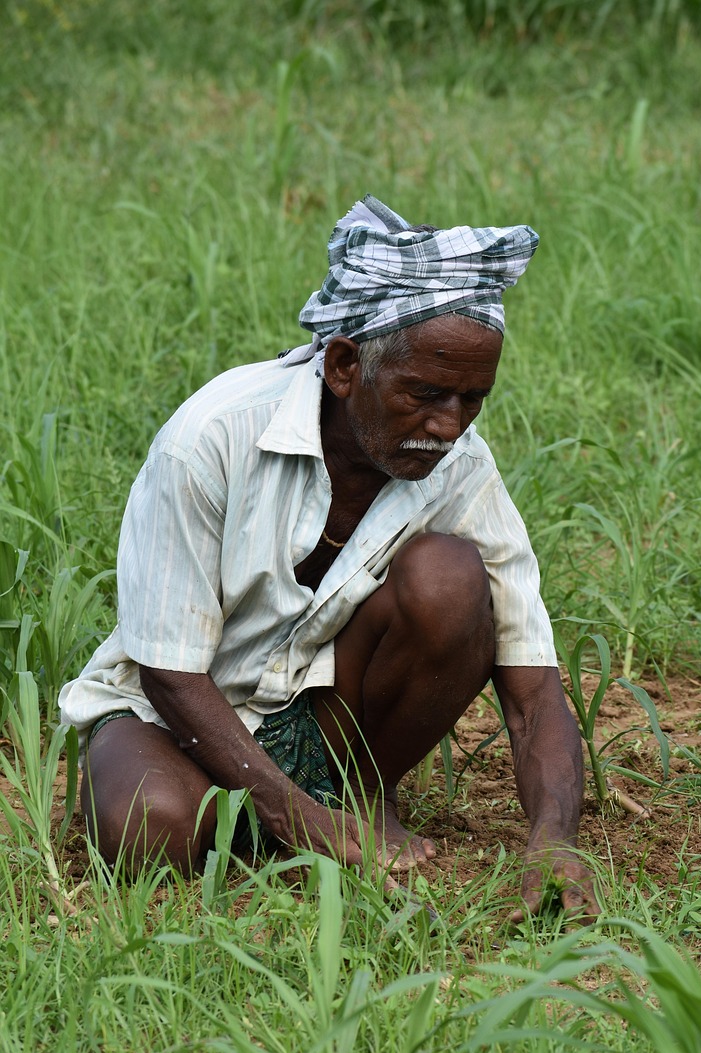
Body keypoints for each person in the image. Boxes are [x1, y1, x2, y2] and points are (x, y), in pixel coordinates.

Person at [59, 195, 597, 921]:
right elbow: (168, 672)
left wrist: (554, 840)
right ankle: (295, 818)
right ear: (344, 366)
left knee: (448, 579)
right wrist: (294, 816)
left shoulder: (460, 466)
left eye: (472, 400)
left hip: (325, 719)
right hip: (174, 715)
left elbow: (532, 692)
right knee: (150, 829)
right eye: (425, 394)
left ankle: (359, 797)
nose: (448, 426)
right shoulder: (214, 436)